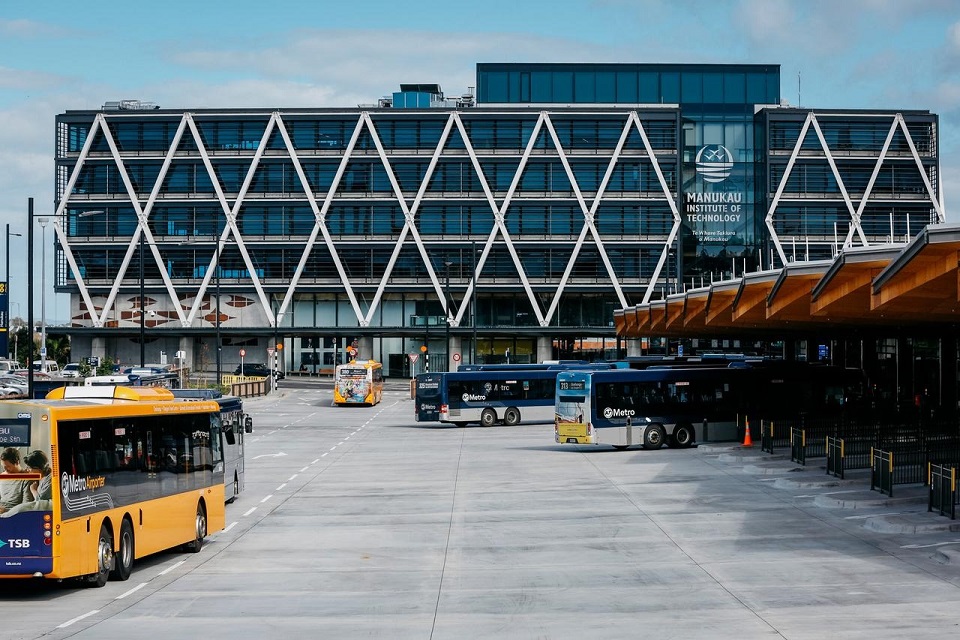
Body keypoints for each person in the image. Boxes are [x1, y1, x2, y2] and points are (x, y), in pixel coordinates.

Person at [0, 447, 30, 514]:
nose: (5, 470)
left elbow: (26, 505)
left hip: (14, 514)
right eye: (3, 467)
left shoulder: (26, 479)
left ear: (17, 462)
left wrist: (6, 511)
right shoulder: (2, 476)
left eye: (8, 466)